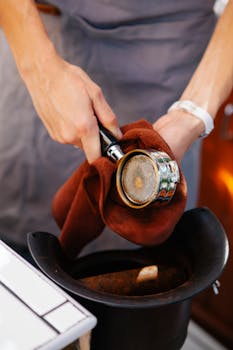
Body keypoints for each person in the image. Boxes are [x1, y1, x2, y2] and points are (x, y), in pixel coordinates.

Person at [0, 0, 232, 257]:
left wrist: (193, 112)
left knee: (143, 273)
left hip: (169, 84)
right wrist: (39, 68)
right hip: (29, 45)